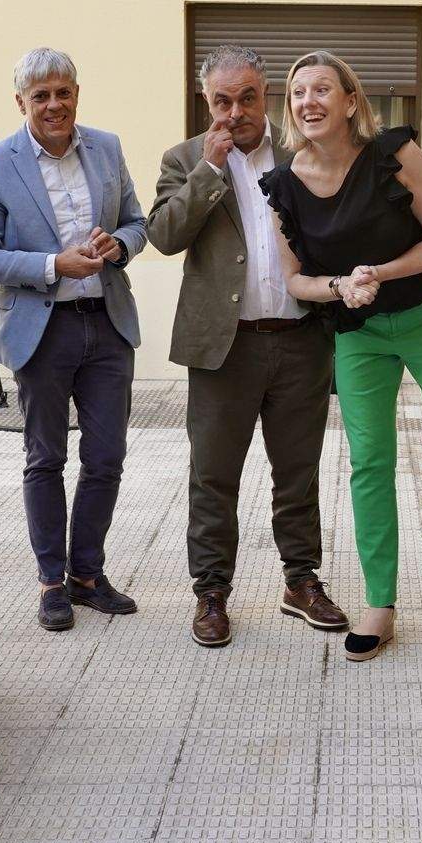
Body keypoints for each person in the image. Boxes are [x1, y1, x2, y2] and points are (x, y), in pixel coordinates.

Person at [259, 51, 422, 662]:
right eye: (296, 92)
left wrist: (381, 273)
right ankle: (380, 604)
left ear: (349, 101)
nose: (307, 101)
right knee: (369, 461)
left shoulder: (395, 154)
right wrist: (340, 286)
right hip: (359, 329)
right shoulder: (284, 185)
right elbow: (294, 281)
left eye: (321, 90)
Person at [147, 45, 347, 648]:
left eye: (247, 98)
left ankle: (300, 581)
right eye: (221, 101)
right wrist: (209, 172)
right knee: (213, 475)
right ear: (207, 103)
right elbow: (163, 235)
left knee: (298, 471)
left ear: (268, 96)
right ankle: (211, 592)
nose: (235, 112)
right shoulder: (184, 158)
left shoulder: (304, 153)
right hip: (223, 348)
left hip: (300, 340)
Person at [0, 47, 148, 632]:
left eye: (62, 92)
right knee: (46, 458)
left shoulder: (108, 148)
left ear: (76, 94)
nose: (54, 104)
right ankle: (51, 582)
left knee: (106, 458)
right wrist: (51, 265)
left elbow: (138, 223)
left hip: (108, 323)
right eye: (40, 95)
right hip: (42, 330)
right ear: (21, 102)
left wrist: (118, 246)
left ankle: (88, 576)